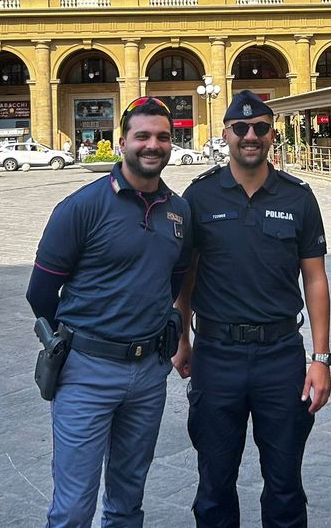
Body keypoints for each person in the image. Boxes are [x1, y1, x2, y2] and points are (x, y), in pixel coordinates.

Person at [26, 97, 192, 526]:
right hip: (87, 372)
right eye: (142, 136)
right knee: (73, 507)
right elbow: (40, 293)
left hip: (149, 373)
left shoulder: (179, 211)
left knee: (128, 499)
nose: (153, 145)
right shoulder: (82, 207)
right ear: (122, 143)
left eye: (162, 137)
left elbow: (173, 281)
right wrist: (78, 338)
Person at [173, 90, 331, 527]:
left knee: (284, 483)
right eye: (240, 128)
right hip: (216, 354)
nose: (250, 135)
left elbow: (315, 279)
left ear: (272, 134)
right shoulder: (199, 196)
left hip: (280, 356)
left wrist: (320, 358)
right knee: (214, 482)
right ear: (225, 134)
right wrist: (182, 338)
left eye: (260, 127)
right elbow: (187, 276)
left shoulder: (298, 197)